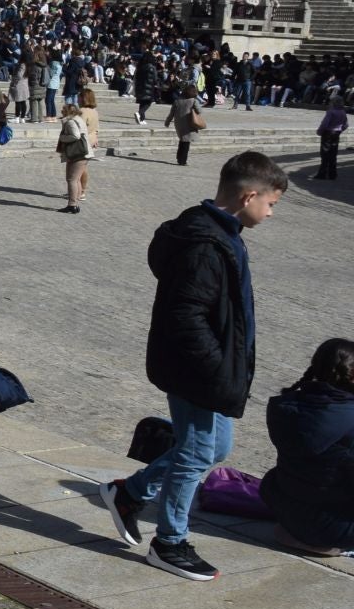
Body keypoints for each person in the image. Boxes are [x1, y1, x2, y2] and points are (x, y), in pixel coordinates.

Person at [101, 152, 287, 581]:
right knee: (198, 451)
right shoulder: (205, 244)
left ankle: (128, 494)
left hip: (210, 368)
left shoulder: (220, 234)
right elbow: (187, 318)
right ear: (249, 196)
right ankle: (169, 542)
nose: (272, 213)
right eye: (271, 204)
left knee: (213, 449)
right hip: (199, 370)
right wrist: (218, 371)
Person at [260, 338, 354, 556]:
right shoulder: (349, 420)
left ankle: (297, 533)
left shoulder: (289, 405)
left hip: (284, 507)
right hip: (330, 527)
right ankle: (318, 539)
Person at [57, 102, 92, 214]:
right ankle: (75, 203)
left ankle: (72, 205)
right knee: (76, 179)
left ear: (68, 111)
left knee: (72, 179)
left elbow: (75, 136)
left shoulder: (71, 121)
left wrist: (63, 138)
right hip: (84, 153)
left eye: (63, 110)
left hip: (77, 153)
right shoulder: (78, 119)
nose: (61, 112)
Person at [170, 83, 202, 167]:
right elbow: (199, 111)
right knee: (186, 143)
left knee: (182, 141)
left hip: (179, 124)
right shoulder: (193, 101)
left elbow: (171, 113)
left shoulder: (177, 100)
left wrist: (167, 121)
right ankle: (182, 160)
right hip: (189, 123)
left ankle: (179, 158)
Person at [316, 95, 346, 181]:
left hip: (328, 133)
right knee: (333, 154)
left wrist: (320, 131)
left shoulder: (331, 111)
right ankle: (332, 174)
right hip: (336, 134)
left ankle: (322, 173)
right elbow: (346, 124)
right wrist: (340, 130)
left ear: (333, 102)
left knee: (325, 154)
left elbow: (325, 123)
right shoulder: (343, 112)